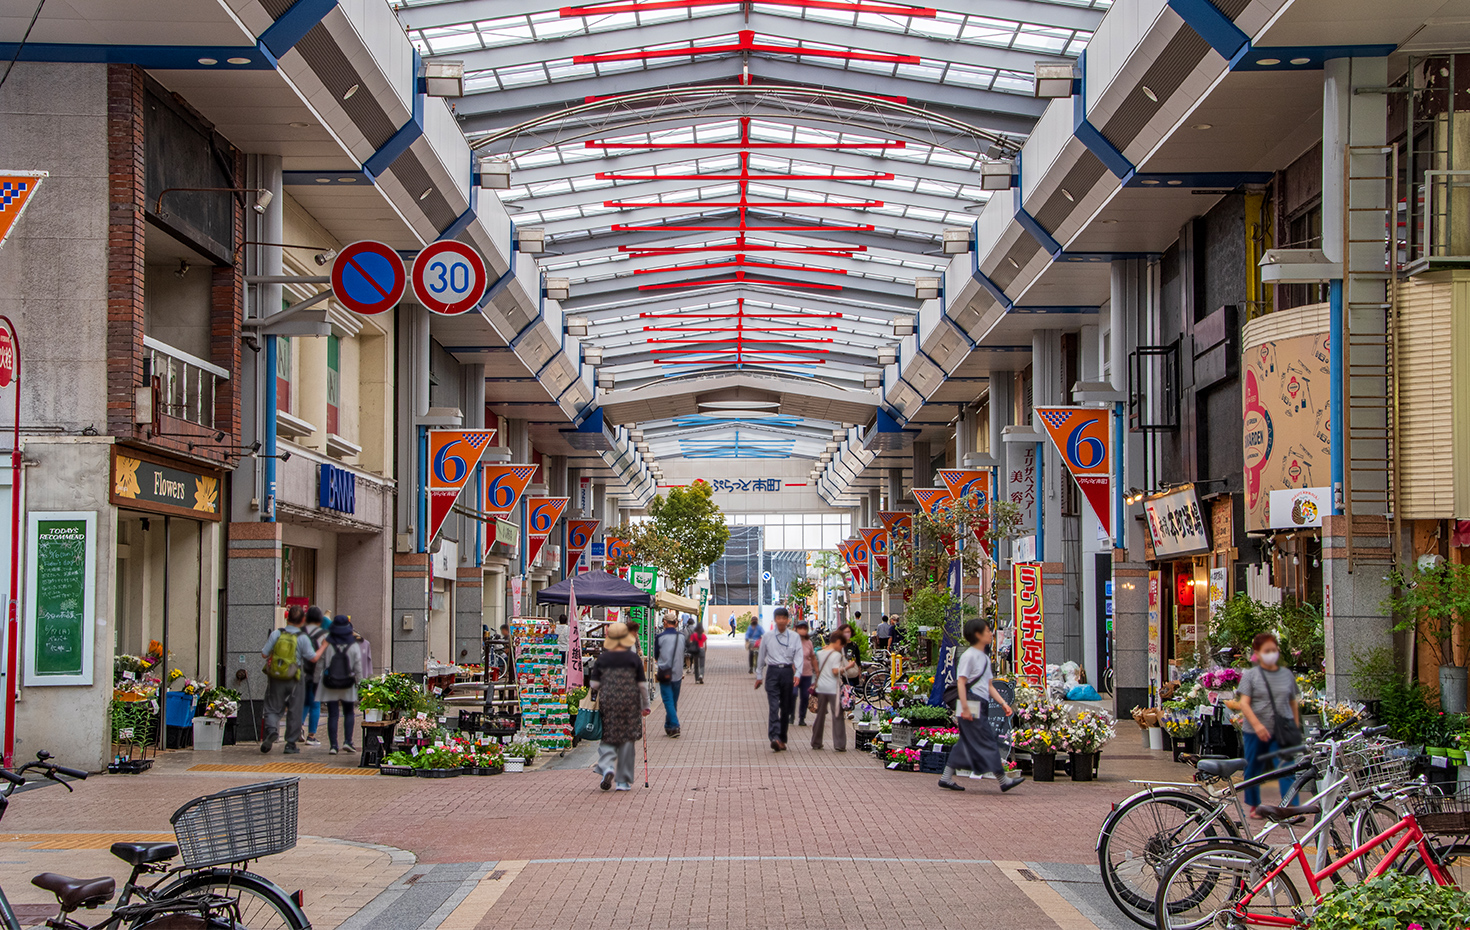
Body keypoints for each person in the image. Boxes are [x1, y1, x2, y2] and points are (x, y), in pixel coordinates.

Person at [940, 619, 1023, 792]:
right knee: (987, 740)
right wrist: (964, 706)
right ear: (977, 635)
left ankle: (945, 778)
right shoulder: (969, 656)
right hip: (971, 703)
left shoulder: (983, 657)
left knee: (966, 742)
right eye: (987, 631)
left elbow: (989, 685)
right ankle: (1003, 780)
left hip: (978, 703)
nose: (991, 633)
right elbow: (961, 683)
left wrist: (1003, 704)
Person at [1237, 632, 1301, 818]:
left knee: (1287, 768)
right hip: (1255, 730)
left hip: (1281, 729)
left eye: (1274, 650)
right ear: (1257, 652)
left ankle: (1290, 807)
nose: (1272, 653)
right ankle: (1255, 806)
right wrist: (1257, 726)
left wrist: (1294, 727)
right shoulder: (1250, 675)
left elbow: (1292, 703)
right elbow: (1244, 704)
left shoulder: (1286, 675)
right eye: (1267, 650)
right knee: (1253, 768)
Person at [589, 621, 650, 791]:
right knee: (627, 739)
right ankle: (623, 781)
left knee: (609, 735)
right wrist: (646, 705)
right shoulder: (633, 658)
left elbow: (594, 684)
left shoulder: (603, 658)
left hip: (609, 702)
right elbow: (642, 684)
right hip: (630, 702)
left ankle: (607, 767)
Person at [259, 606, 314, 755]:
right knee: (295, 709)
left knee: (272, 706)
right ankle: (290, 743)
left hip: (276, 676)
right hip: (295, 677)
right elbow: (312, 657)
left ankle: (271, 730)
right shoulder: (302, 637)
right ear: (302, 620)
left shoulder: (277, 634)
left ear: (287, 617)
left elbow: (264, 654)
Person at [754, 607, 803, 751]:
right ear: (775, 620)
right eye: (778, 618)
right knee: (774, 706)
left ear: (788, 620)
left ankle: (782, 737)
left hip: (788, 672)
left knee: (786, 707)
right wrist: (759, 675)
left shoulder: (794, 637)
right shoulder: (768, 637)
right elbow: (761, 656)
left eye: (784, 618)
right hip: (773, 672)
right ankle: (774, 737)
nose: (781, 621)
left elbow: (799, 657)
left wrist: (798, 674)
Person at [319, 615, 362, 755]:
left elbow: (321, 664)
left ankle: (333, 746)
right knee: (349, 712)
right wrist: (361, 685)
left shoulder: (327, 644)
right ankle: (348, 741)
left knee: (333, 714)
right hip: (347, 683)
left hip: (331, 683)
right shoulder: (353, 645)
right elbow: (358, 668)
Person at [811, 630, 854, 751]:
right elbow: (835, 671)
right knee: (837, 715)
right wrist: (848, 667)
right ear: (838, 642)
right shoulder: (835, 655)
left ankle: (816, 742)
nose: (842, 648)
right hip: (832, 688)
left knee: (820, 715)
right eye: (842, 645)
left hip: (821, 688)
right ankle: (839, 744)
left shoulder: (820, 652)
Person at [654, 611, 685, 738]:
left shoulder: (659, 638)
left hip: (664, 672)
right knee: (673, 701)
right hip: (678, 673)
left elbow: (656, 655)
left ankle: (675, 725)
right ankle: (669, 726)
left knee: (668, 700)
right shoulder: (682, 637)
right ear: (676, 623)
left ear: (665, 623)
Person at [300, 607, 327, 746]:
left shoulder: (300, 632)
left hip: (300, 674)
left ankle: (298, 728)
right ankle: (311, 736)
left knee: (304, 702)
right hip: (316, 675)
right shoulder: (322, 634)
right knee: (315, 704)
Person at [795, 619, 816, 727]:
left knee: (804, 696)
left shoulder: (809, 643)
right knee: (792, 694)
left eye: (804, 628)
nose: (802, 630)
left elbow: (812, 658)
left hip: (807, 674)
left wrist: (817, 671)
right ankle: (790, 714)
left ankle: (802, 718)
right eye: (800, 628)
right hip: (794, 674)